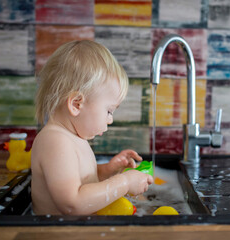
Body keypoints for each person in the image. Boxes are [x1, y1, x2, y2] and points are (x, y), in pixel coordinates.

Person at [31, 40, 153, 215]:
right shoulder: (55, 142)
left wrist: (106, 171)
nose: (110, 120)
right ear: (76, 104)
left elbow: (83, 183)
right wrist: (124, 182)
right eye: (109, 110)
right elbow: (73, 203)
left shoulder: (72, 137)